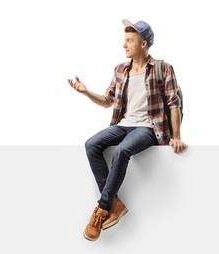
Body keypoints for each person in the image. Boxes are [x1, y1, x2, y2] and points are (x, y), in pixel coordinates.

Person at [68, 19, 187, 241]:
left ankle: (102, 209)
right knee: (91, 144)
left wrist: (177, 136)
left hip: (150, 128)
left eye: (129, 41)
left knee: (122, 151)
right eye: (124, 40)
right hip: (124, 124)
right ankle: (116, 204)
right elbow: (107, 101)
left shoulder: (163, 68)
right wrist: (85, 92)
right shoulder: (121, 69)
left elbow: (173, 104)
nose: (124, 45)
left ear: (143, 44)